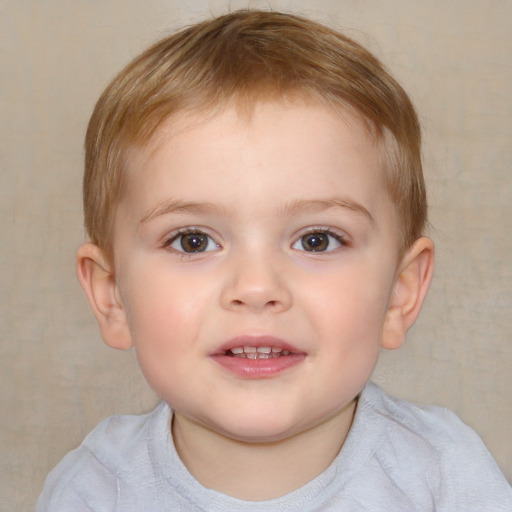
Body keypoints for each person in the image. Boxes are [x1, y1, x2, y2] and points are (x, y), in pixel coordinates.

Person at [37, 9, 512, 511]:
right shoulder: (92, 490)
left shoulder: (446, 479)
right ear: (112, 296)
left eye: (317, 241)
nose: (258, 286)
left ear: (400, 291)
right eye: (193, 241)